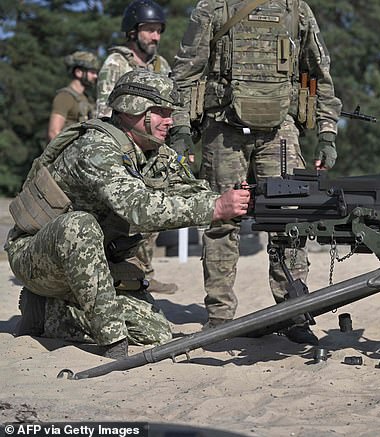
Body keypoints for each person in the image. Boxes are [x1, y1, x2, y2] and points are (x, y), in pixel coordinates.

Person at [5, 70, 251, 359]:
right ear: (133, 109)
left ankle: (47, 313)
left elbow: (190, 191)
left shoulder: (156, 153)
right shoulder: (95, 148)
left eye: (170, 112)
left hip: (95, 264)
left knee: (154, 332)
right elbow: (138, 208)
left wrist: (241, 201)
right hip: (37, 257)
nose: (170, 120)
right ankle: (113, 344)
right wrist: (215, 208)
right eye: (160, 111)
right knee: (79, 225)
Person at [170, 0, 341, 345]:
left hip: (280, 131)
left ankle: (294, 311)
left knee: (290, 222)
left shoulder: (296, 10)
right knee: (221, 221)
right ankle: (219, 316)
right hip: (223, 128)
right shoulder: (213, 8)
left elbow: (320, 74)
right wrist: (181, 130)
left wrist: (327, 133)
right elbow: (186, 71)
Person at [96, 0, 176, 294]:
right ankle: (117, 273)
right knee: (121, 219)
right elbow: (102, 113)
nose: (155, 37)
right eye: (149, 30)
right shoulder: (115, 64)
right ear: (132, 32)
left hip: (153, 150)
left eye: (158, 31)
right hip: (122, 151)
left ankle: (144, 273)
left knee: (152, 217)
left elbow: (170, 108)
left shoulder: (161, 65)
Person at [47, 51, 100, 141]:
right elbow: (53, 132)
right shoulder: (65, 97)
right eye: (92, 72)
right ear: (78, 72)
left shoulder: (87, 99)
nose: (95, 76)